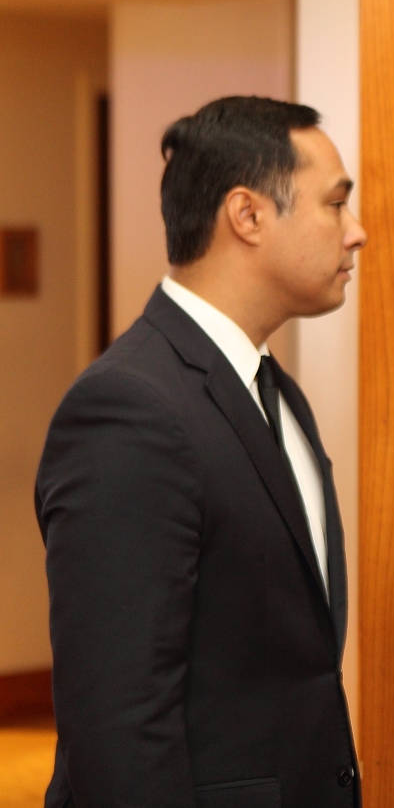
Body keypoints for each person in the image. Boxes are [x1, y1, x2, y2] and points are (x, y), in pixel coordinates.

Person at [35, 96, 367, 806]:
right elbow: (118, 725)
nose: (357, 232)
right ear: (247, 215)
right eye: (336, 205)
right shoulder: (129, 408)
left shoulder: (274, 389)